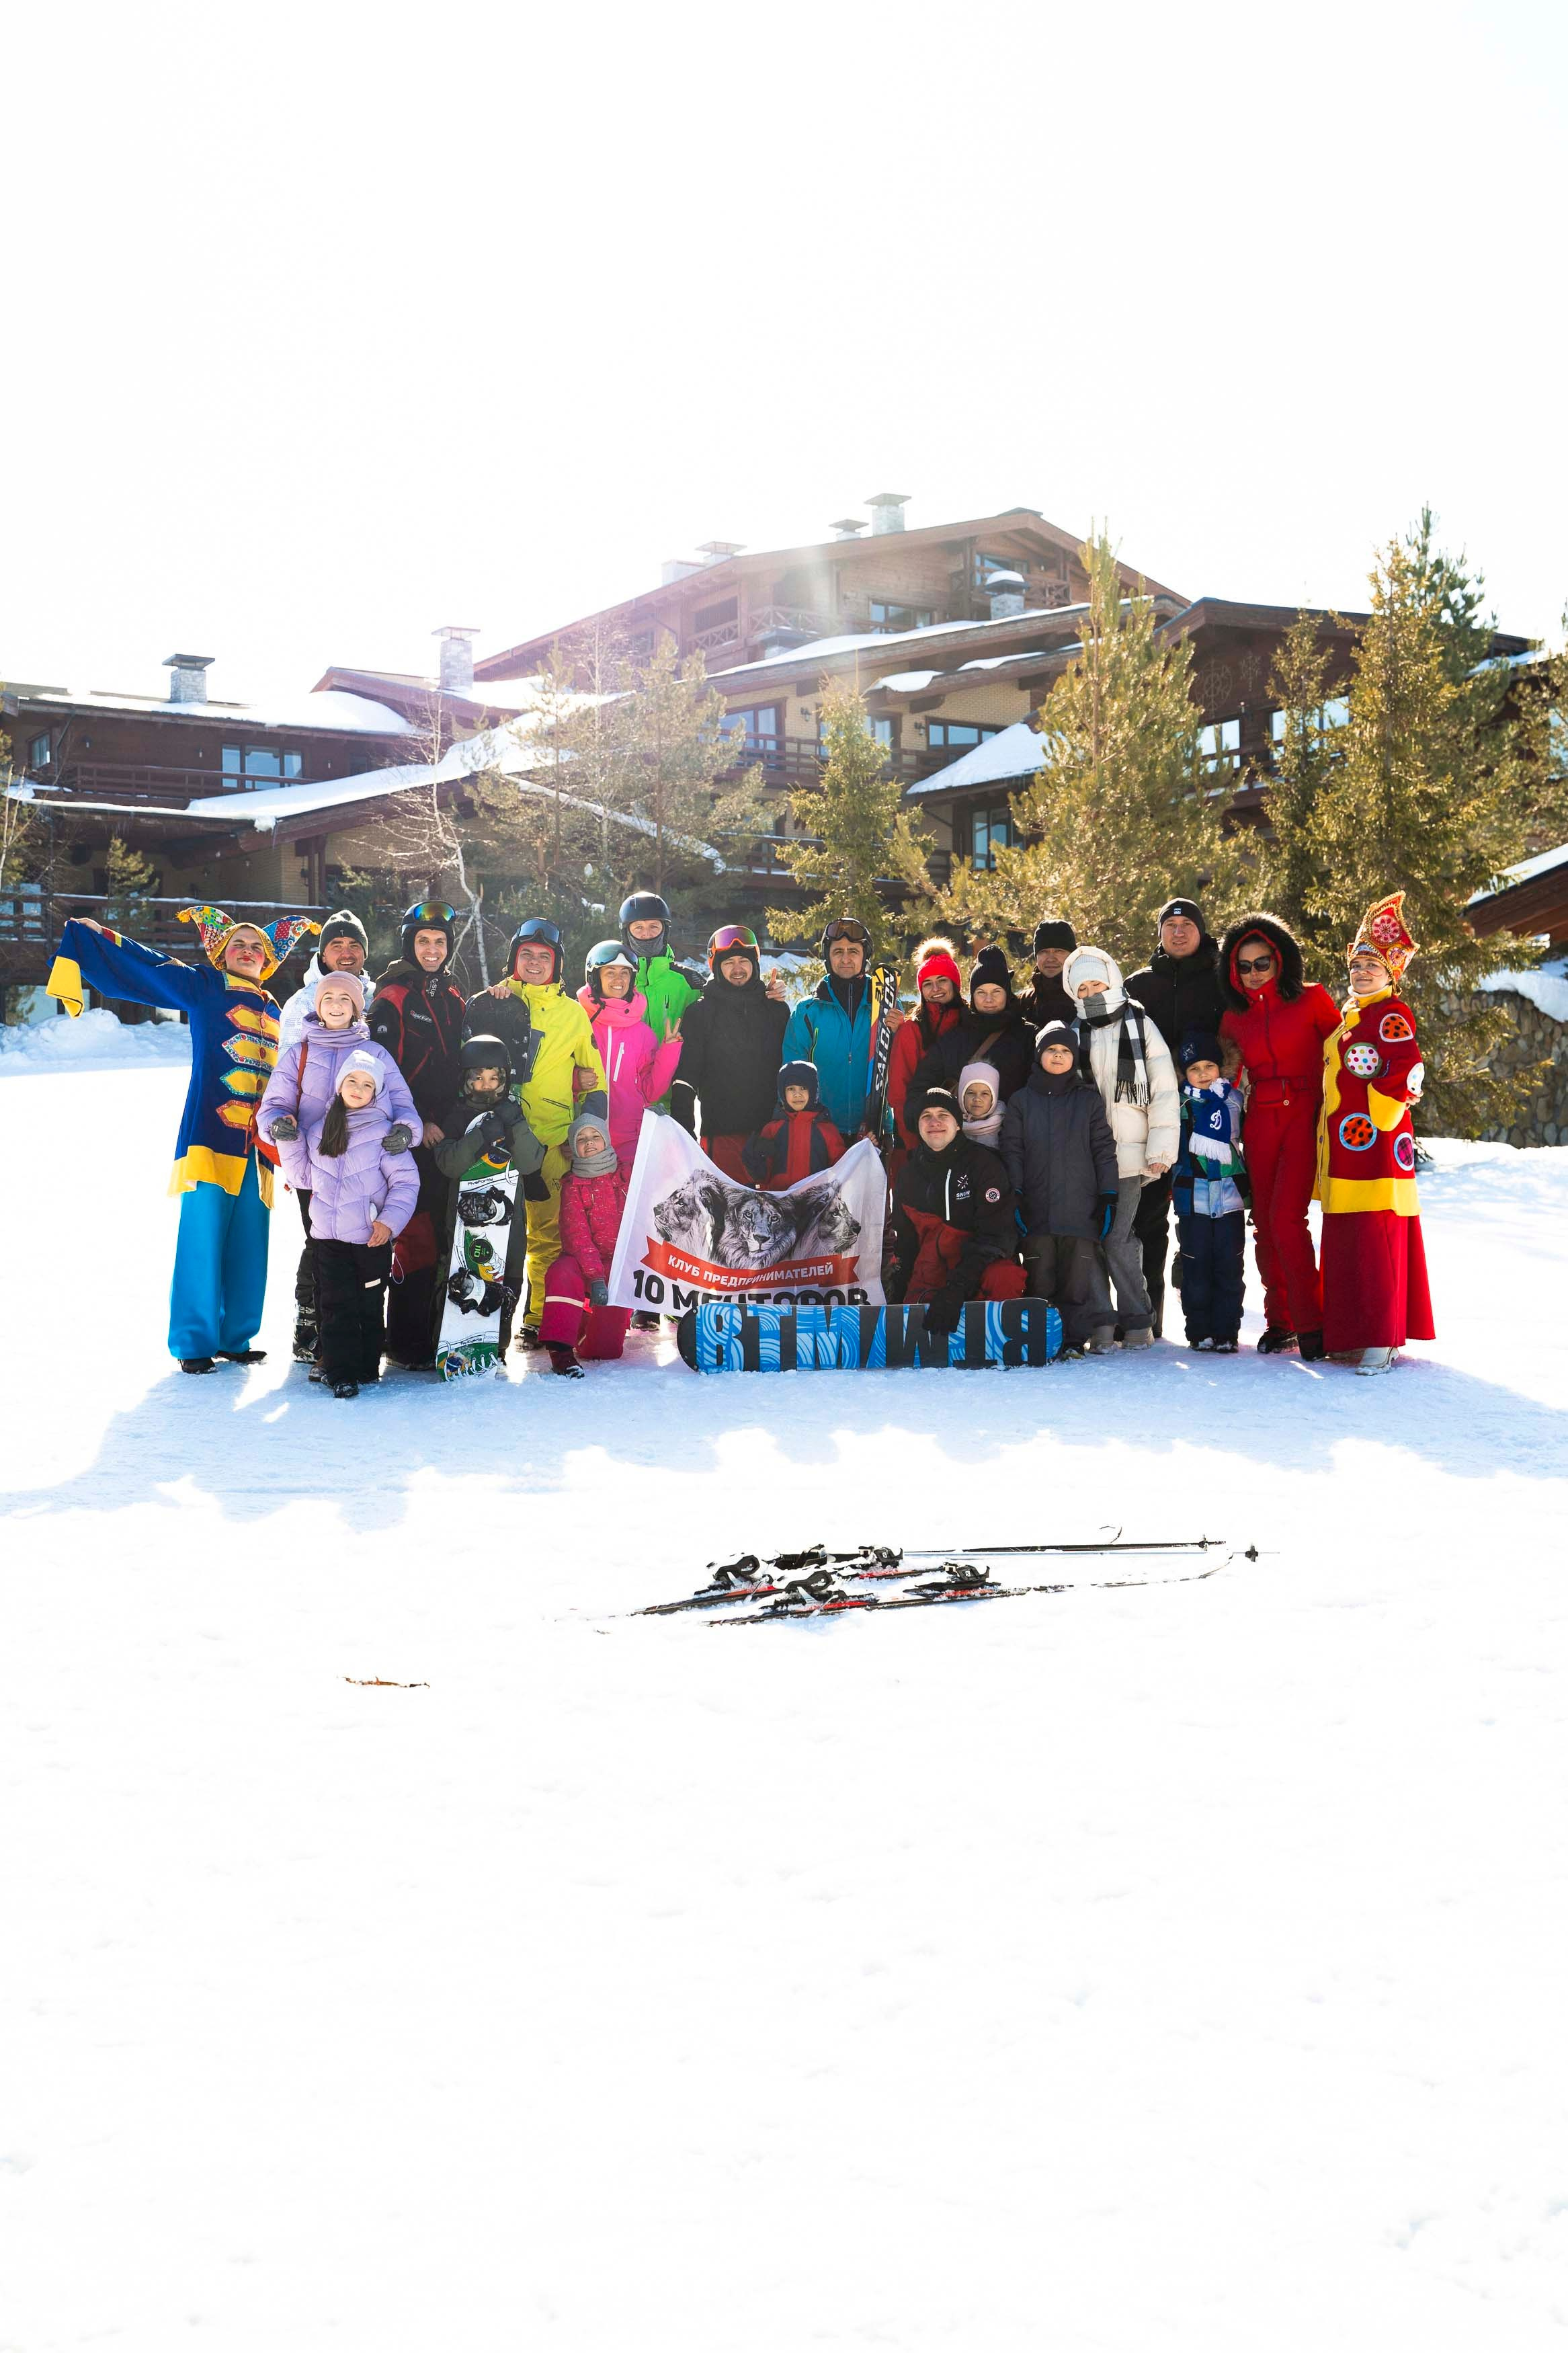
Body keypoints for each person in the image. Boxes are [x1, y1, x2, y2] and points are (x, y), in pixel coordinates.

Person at [45, 902, 317, 1371]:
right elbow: (151, 966)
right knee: (202, 1242)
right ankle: (193, 1343)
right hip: (210, 1139)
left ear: (268, 959)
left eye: (256, 946)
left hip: (260, 1151)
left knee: (250, 1244)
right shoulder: (205, 986)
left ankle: (236, 1336)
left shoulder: (275, 1008)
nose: (248, 951)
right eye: (238, 944)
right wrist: (100, 936)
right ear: (222, 955)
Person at [259, 968, 419, 1362]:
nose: (336, 1006)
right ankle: (316, 1340)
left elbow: (402, 1103)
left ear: (357, 1008)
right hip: (315, 1166)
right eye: (328, 999)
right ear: (317, 1006)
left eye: (345, 999)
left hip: (367, 1171)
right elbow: (274, 1104)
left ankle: (360, 1344)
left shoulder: (375, 1054)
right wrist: (278, 1126)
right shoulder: (299, 1054)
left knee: (362, 1259)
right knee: (319, 1251)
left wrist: (405, 1130)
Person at [470, 917, 607, 1346]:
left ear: (557, 964)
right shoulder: (493, 1001)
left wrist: (583, 1135)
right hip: (494, 1135)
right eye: (526, 954)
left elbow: (596, 1081)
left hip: (551, 1140)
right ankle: (479, 1319)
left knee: (547, 1237)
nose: (534, 962)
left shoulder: (573, 1014)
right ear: (514, 958)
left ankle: (538, 1318)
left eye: (544, 957)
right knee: (491, 1232)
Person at [1317, 892, 1435, 1375]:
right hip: (1348, 1147)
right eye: (1356, 965)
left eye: (1372, 965)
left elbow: (1406, 1069)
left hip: (1376, 1148)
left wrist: (1377, 1114)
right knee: (1349, 1239)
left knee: (1376, 1239)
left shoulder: (1390, 1013)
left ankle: (1381, 1339)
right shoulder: (1353, 1013)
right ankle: (1352, 1334)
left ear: (1391, 974)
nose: (1362, 972)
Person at [1217, 910, 1343, 1359]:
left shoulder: (1312, 1000)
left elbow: (1345, 1054)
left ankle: (1312, 1323)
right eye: (1244, 966)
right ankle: (1280, 1322)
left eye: (1261, 963)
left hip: (1306, 1116)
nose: (1253, 973)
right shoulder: (1234, 1018)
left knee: (1287, 1219)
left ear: (1280, 959)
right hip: (1261, 1121)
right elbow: (1227, 1076)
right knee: (1265, 1227)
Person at [275, 1052, 419, 1398]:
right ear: (340, 1085)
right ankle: (339, 1372)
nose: (358, 1088)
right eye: (352, 1080)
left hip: (371, 1238)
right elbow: (303, 1177)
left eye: (367, 1084)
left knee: (369, 1303)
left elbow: (406, 1183)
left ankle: (366, 1366)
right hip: (328, 1238)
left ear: (377, 1092)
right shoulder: (319, 1130)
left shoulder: (385, 1134)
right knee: (335, 1305)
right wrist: (290, 1140)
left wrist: (388, 1223)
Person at [368, 900, 470, 1367]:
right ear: (410, 944)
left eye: (440, 942)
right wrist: (417, 1120)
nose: (432, 949)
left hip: (448, 1134)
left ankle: (438, 1334)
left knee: (448, 1233)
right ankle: (406, 1341)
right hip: (408, 1135)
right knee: (416, 1234)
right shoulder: (393, 997)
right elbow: (381, 1071)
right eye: (424, 941)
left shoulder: (452, 996)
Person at [1062, 943, 1179, 1349]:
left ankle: (1138, 1320)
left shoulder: (1140, 1024)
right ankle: (1100, 1322)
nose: (1091, 993)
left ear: (1111, 981)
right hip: (1085, 1158)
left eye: (1097, 984)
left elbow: (1164, 1089)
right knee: (1089, 1239)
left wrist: (1161, 1148)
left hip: (1130, 1155)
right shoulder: (1072, 1032)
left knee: (1117, 1238)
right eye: (1082, 988)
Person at [1123, 898, 1229, 1334]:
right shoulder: (1138, 985)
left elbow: (1235, 1039)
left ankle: (1207, 1321)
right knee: (1147, 1216)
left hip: (1207, 1115)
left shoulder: (1222, 981)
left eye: (1188, 924)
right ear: (1160, 933)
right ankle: (1148, 1318)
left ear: (1201, 931)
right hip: (1149, 1114)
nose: (1179, 932)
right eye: (1171, 925)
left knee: (1203, 1215)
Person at [999, 1022, 1120, 1353]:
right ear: (1039, 1055)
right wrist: (1015, 1194)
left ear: (1074, 1058)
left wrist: (1109, 1195)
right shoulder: (1022, 1101)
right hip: (1036, 1210)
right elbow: (1013, 1150)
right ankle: (1041, 1340)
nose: (1058, 1056)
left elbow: (1104, 1151)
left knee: (1076, 1283)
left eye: (1066, 1051)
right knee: (1040, 1279)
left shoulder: (1088, 1100)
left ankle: (1073, 1341)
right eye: (1051, 1049)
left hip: (1081, 1211)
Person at [429, 1036, 549, 1357]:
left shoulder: (513, 1113)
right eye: (478, 1078)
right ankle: (452, 1342)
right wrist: (480, 1136)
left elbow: (531, 1163)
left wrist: (515, 1124)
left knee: (506, 1277)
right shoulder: (456, 1116)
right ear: (466, 1081)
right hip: (463, 1221)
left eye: (494, 1078)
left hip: (508, 1222)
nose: (486, 1085)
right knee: (462, 1276)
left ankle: (497, 1346)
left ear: (504, 1080)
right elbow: (449, 1164)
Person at [884, 1086, 1027, 1334]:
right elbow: (906, 1244)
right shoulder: (908, 1174)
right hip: (931, 1266)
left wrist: (957, 1288)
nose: (935, 1122)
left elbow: (997, 1236)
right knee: (915, 1308)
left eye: (943, 1115)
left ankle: (998, 1335)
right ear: (918, 1126)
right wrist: (897, 1298)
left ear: (958, 1125)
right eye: (926, 1116)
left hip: (978, 1263)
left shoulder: (983, 1163)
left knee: (1005, 1277)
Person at [669, 924, 789, 1180]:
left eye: (744, 961)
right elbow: (686, 1079)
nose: (737, 969)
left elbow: (790, 1071)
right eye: (729, 963)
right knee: (726, 1205)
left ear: (754, 964)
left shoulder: (775, 1009)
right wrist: (685, 1134)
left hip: (771, 1135)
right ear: (716, 967)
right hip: (721, 1138)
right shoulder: (700, 1013)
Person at [780, 916, 895, 1140]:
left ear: (864, 956)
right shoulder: (808, 1010)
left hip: (873, 1130)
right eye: (838, 951)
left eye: (853, 951)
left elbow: (900, 1068)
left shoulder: (886, 1007)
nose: (845, 959)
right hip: (820, 1130)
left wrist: (902, 1031)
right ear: (828, 957)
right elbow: (791, 1072)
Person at [538, 1111, 634, 1375]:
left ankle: (586, 1321)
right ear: (574, 1147)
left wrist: (661, 1126)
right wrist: (595, 1277)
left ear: (606, 1140)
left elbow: (661, 1175)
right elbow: (576, 1235)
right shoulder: (572, 1185)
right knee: (561, 1272)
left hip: (618, 1265)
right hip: (583, 1263)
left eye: (595, 1136)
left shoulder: (628, 1174)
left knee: (604, 1351)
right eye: (581, 1139)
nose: (589, 1142)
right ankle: (561, 1352)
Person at [1171, 1031, 1249, 1354]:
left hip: (1230, 1198)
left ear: (1221, 1067)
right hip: (1193, 1200)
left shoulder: (1234, 1100)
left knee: (1230, 1267)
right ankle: (1199, 1330)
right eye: (1194, 1068)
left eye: (1209, 1066)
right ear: (1184, 1073)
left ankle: (1227, 1331)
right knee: (1197, 1267)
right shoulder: (1179, 1104)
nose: (1203, 1074)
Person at [577, 940, 684, 1166]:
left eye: (625, 973)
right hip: (585, 1141)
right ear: (595, 977)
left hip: (630, 1141)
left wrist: (669, 1050)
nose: (619, 979)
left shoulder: (642, 1033)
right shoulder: (578, 1021)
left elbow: (651, 1092)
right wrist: (575, 1081)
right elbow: (556, 1072)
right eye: (610, 972)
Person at [906, 946, 1035, 1118]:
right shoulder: (954, 1038)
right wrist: (923, 1122)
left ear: (1007, 994)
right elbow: (921, 1086)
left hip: (1012, 1130)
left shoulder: (1029, 1036)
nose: (989, 999)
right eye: (981, 992)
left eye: (996, 991)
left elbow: (1039, 1092)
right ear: (973, 996)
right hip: (961, 1132)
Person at [889, 938, 964, 1154]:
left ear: (955, 983)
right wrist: (915, 1146)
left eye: (942, 980)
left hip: (966, 1139)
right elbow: (899, 1094)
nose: (936, 989)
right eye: (928, 984)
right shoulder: (911, 1029)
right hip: (919, 1139)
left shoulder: (970, 1021)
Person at [619, 892, 703, 1084]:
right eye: (639, 927)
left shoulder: (690, 981)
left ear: (664, 931)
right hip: (624, 1092)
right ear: (626, 932)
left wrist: (764, 996)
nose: (646, 934)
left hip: (676, 1091)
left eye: (654, 927)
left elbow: (722, 1011)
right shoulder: (614, 979)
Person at [277, 908, 369, 1053]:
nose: (346, 954)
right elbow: (288, 1060)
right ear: (323, 956)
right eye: (337, 946)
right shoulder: (305, 1001)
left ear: (364, 953)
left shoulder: (374, 995)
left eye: (354, 946)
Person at [743, 1061, 848, 1189]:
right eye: (791, 1089)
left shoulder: (827, 1130)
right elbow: (762, 1176)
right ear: (783, 1092)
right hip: (779, 1198)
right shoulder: (772, 1129)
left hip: (814, 1198)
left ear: (813, 1091)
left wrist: (865, 1149)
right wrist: (755, 1164)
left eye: (803, 1088)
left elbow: (844, 1167)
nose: (797, 1094)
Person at [1019, 919, 1079, 1028]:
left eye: (1059, 951)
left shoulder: (1085, 997)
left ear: (1072, 955)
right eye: (1044, 952)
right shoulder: (1024, 1002)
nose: (1051, 958)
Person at [958, 1061, 1004, 1148]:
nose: (977, 1099)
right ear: (962, 1095)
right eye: (971, 1093)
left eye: (985, 1094)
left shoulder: (1006, 1125)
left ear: (993, 1097)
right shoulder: (950, 1124)